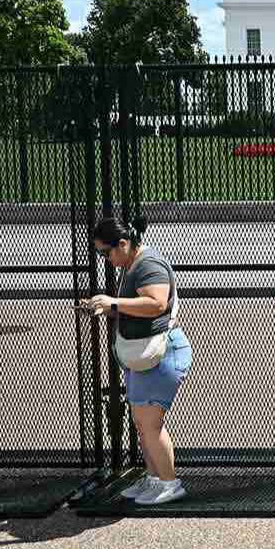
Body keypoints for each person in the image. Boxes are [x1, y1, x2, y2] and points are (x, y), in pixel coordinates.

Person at [87, 216, 192, 507]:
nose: (105, 258)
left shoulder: (148, 264)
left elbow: (157, 303)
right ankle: (155, 478)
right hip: (144, 356)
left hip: (161, 354)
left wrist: (114, 303)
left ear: (123, 244)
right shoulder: (132, 264)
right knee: (141, 423)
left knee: (150, 423)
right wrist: (105, 307)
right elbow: (137, 308)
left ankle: (170, 483)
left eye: (105, 252)